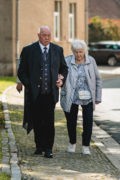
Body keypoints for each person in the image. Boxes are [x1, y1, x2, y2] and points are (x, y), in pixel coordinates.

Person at [17, 26, 68, 158]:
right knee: (37, 121)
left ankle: (48, 148)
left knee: (49, 122)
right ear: (38, 35)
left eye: (49, 35)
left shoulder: (57, 50)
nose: (47, 38)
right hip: (35, 94)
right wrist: (29, 85)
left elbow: (64, 68)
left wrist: (61, 79)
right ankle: (39, 146)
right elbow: (21, 72)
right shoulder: (28, 50)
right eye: (44, 35)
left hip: (50, 93)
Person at [60, 39, 102, 155]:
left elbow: (98, 79)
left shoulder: (91, 61)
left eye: (81, 52)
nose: (78, 54)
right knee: (71, 121)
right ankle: (72, 142)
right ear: (73, 51)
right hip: (71, 95)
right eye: (76, 52)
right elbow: (61, 75)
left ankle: (86, 146)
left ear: (85, 51)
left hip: (87, 96)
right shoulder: (67, 60)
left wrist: (97, 97)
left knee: (88, 122)